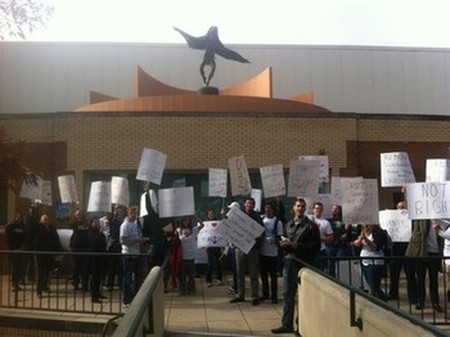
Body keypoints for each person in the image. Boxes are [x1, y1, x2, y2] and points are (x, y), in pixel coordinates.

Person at [272, 198, 321, 334]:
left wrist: (297, 246)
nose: (300, 208)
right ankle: (286, 324)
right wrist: (279, 244)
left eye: (302, 206)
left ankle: (301, 326)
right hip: (288, 264)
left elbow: (316, 246)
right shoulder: (288, 225)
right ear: (293, 208)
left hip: (303, 265)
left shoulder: (311, 226)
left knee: (303, 297)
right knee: (287, 295)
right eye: (298, 206)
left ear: (305, 209)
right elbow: (285, 245)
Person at [230, 197, 264, 306]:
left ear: (254, 205)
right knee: (240, 272)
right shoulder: (238, 216)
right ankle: (240, 295)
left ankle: (254, 295)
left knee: (254, 272)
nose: (249, 205)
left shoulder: (257, 217)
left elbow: (261, 233)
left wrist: (256, 242)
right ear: (244, 205)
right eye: (247, 203)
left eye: (251, 204)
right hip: (240, 248)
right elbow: (231, 228)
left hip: (253, 249)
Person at [405, 218, 443, 312]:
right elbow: (416, 233)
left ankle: (435, 302)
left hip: (435, 252)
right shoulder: (420, 218)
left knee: (433, 279)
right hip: (422, 251)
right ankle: (420, 301)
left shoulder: (440, 218)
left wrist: (439, 227)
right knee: (420, 278)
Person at [120, 205, 148, 307]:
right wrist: (136, 240)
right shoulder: (125, 225)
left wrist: (142, 239)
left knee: (137, 276)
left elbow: (138, 235)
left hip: (136, 253)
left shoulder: (136, 224)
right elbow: (123, 240)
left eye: (135, 213)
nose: (134, 215)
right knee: (127, 277)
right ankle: (126, 300)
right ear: (128, 213)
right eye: (132, 213)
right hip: (128, 254)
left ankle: (135, 297)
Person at [351, 224, 387, 301]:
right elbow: (357, 244)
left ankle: (382, 302)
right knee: (371, 285)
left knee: (375, 286)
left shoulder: (379, 233)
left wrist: (366, 240)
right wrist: (361, 239)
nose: (365, 227)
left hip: (374, 262)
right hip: (365, 261)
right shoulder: (362, 232)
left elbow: (375, 247)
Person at [33, 214, 62, 298]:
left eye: (47, 219)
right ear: (41, 220)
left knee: (47, 272)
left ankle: (45, 286)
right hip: (40, 254)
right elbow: (36, 239)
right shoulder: (38, 228)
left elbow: (56, 239)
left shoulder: (52, 228)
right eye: (44, 219)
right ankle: (39, 291)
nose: (46, 220)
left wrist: (58, 250)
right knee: (40, 273)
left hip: (49, 253)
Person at [260, 201, 283, 303]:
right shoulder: (261, 220)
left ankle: (274, 296)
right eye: (266, 208)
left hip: (273, 253)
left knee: (273, 276)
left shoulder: (278, 222)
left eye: (269, 208)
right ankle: (265, 294)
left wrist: (275, 240)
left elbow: (280, 237)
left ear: (273, 210)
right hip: (262, 252)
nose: (267, 210)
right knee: (263, 275)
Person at [387, 200, 409, 300]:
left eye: (403, 208)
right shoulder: (393, 218)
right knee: (394, 274)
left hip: (408, 249)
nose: (400, 210)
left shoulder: (410, 219)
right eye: (399, 208)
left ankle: (413, 296)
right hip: (395, 250)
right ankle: (393, 294)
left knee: (410, 274)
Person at [308, 202, 334, 272]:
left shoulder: (325, 222)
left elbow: (331, 238)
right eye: (316, 208)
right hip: (308, 250)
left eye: (320, 209)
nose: (318, 210)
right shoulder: (307, 220)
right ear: (313, 210)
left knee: (319, 271)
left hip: (320, 250)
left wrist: (319, 239)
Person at [201, 209, 223, 287]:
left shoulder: (218, 222)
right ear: (207, 215)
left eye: (212, 213)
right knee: (210, 264)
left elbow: (222, 230)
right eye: (210, 214)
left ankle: (219, 279)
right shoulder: (205, 223)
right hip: (209, 246)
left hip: (217, 246)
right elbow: (202, 233)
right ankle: (208, 280)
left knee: (218, 264)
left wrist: (223, 214)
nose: (211, 215)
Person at [87, 217, 107, 303]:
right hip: (93, 258)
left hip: (100, 258)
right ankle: (94, 296)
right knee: (94, 278)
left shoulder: (101, 234)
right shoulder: (89, 234)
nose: (96, 224)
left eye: (97, 222)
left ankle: (98, 293)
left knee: (98, 277)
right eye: (94, 222)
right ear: (91, 224)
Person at [70, 209, 90, 291]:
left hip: (84, 249)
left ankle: (84, 285)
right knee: (76, 268)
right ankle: (76, 284)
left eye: (80, 214)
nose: (79, 216)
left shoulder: (86, 224)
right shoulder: (73, 224)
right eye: (77, 215)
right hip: (75, 249)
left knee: (84, 269)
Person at [5, 214, 26, 291]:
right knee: (15, 268)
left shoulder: (23, 227)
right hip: (14, 250)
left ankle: (17, 283)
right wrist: (11, 248)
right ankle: (14, 284)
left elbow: (25, 237)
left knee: (19, 268)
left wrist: (22, 247)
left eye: (20, 217)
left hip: (21, 250)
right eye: (17, 217)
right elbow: (8, 238)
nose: (19, 219)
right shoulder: (11, 227)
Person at [106, 206, 125, 291]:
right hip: (113, 246)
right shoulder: (113, 222)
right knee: (111, 267)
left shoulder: (124, 222)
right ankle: (110, 284)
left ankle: (120, 284)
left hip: (121, 247)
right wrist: (114, 206)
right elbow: (109, 215)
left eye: (121, 212)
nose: (119, 214)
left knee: (120, 266)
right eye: (118, 212)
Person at [178, 217, 197, 295]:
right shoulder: (179, 230)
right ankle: (183, 290)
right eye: (184, 220)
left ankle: (191, 289)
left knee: (191, 274)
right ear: (182, 221)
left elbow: (202, 225)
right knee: (182, 274)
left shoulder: (193, 229)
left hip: (191, 255)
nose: (186, 222)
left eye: (187, 220)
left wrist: (196, 216)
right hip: (182, 255)